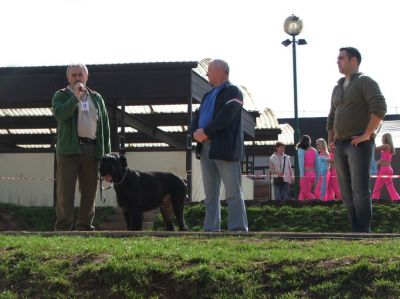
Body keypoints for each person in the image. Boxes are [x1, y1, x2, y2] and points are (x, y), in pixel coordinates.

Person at [327, 47, 387, 232]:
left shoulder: (365, 81)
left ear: (354, 61)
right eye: (338, 58)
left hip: (358, 143)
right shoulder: (337, 88)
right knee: (346, 192)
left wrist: (367, 134)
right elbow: (331, 116)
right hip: (339, 144)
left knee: (360, 191)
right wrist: (331, 139)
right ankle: (355, 230)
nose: (337, 61)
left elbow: (379, 107)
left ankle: (363, 231)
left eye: (342, 58)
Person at [190, 59, 248, 232]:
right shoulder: (207, 95)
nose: (207, 74)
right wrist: (194, 132)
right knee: (210, 195)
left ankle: (237, 229)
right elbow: (197, 115)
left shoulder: (234, 91)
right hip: (206, 148)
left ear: (220, 71)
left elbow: (226, 116)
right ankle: (210, 229)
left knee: (233, 192)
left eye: (209, 71)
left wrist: (206, 131)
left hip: (225, 148)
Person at [52, 64, 111, 231]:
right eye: (73, 75)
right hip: (69, 149)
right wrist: (75, 97)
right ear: (68, 78)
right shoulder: (61, 95)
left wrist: (106, 157)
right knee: (65, 191)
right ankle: (64, 226)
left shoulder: (97, 97)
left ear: (87, 77)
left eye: (80, 74)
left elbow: (105, 127)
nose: (77, 78)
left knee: (89, 190)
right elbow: (61, 115)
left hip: (91, 149)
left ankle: (85, 225)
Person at [371, 133, 400, 201]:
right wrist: (374, 163)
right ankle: (397, 199)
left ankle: (374, 199)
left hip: (384, 169)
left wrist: (372, 139)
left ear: (385, 138)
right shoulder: (389, 147)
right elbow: (382, 160)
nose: (381, 139)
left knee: (377, 186)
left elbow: (375, 148)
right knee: (390, 187)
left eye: (382, 137)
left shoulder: (386, 145)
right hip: (388, 169)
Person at [297, 135, 320, 200]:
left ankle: (317, 202)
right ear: (309, 141)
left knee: (306, 193)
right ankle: (300, 207)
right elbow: (317, 165)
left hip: (305, 175)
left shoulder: (301, 150)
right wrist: (317, 177)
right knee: (302, 192)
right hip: (313, 175)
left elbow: (301, 163)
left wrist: (302, 175)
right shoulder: (314, 150)